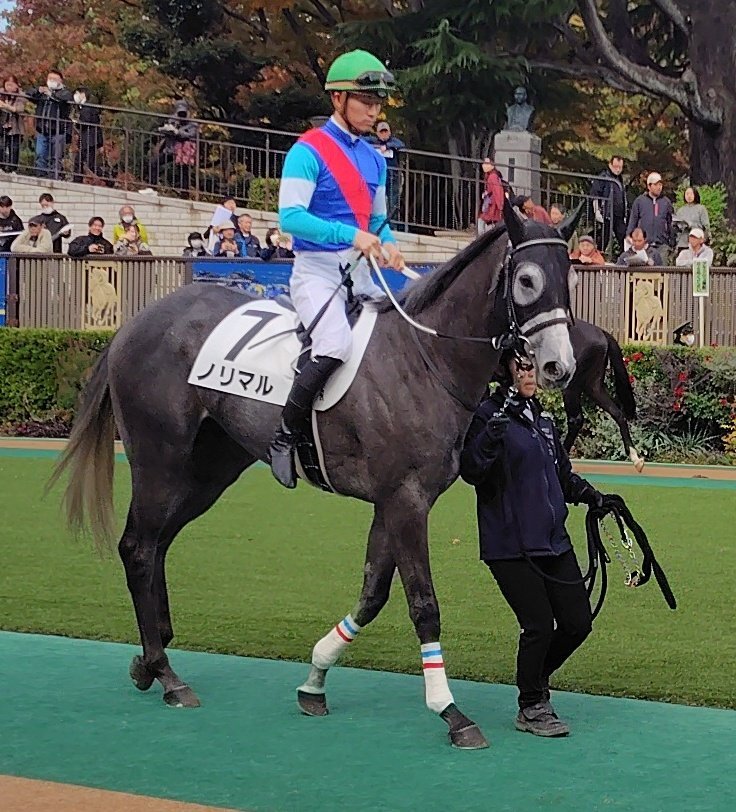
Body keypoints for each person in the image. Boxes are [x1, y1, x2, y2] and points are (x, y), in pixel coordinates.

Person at [269, 49, 404, 488]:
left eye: (377, 102)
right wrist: (352, 236)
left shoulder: (375, 159)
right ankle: (285, 436)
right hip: (318, 272)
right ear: (338, 99)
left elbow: (379, 221)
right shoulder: (306, 151)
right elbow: (290, 218)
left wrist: (390, 245)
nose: (373, 110)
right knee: (334, 343)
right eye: (365, 100)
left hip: (364, 275)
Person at [460, 351, 605, 737]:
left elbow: (560, 474)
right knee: (539, 625)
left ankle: (534, 681)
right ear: (503, 370)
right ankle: (531, 706)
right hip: (510, 544)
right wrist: (492, 429)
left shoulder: (541, 418)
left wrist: (592, 496)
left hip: (553, 539)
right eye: (522, 366)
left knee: (577, 623)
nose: (530, 373)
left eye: (533, 367)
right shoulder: (486, 414)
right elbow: (472, 471)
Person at [26, 68, 73, 179]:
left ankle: (54, 176)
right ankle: (41, 175)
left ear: (60, 80)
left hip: (58, 130)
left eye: (54, 79)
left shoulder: (65, 92)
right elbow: (28, 94)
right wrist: (38, 90)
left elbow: (63, 100)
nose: (51, 81)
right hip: (42, 129)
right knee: (40, 154)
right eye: (49, 78)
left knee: (56, 156)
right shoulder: (43, 93)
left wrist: (51, 94)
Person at [143, 100, 198, 192]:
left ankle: (184, 192)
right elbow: (166, 130)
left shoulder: (192, 124)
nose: (181, 116)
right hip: (170, 150)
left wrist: (178, 132)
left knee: (183, 171)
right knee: (154, 163)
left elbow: (191, 135)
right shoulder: (172, 120)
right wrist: (166, 130)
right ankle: (152, 187)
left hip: (182, 152)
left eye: (183, 113)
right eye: (180, 113)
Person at [627, 172, 674, 264]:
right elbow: (633, 220)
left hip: (662, 244)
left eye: (660, 184)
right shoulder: (639, 201)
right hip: (644, 245)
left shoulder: (666, 202)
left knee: (661, 271)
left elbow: (670, 222)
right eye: (656, 184)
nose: (659, 187)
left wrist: (671, 241)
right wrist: (629, 235)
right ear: (649, 186)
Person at [366, 121, 405, 224]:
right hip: (378, 178)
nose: (384, 134)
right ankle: (375, 224)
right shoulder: (374, 141)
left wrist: (387, 146)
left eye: (385, 132)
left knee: (393, 203)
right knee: (376, 202)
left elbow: (401, 144)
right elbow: (361, 140)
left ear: (389, 133)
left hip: (393, 178)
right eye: (381, 132)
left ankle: (392, 225)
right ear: (377, 133)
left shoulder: (394, 141)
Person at [589, 155, 627, 253]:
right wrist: (596, 210)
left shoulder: (619, 179)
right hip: (606, 214)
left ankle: (624, 258)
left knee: (623, 237)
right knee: (604, 238)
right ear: (610, 165)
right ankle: (597, 257)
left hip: (618, 215)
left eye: (620, 167)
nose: (618, 170)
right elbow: (595, 194)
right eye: (615, 167)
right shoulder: (603, 177)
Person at [72, 86, 103, 182]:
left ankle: (78, 180)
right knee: (87, 162)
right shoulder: (87, 107)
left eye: (77, 93)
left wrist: (76, 122)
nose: (75, 96)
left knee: (82, 161)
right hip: (90, 139)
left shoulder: (87, 108)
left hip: (89, 139)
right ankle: (79, 179)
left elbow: (85, 122)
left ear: (83, 94)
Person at [0, 75, 26, 172]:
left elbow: (19, 109)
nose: (9, 88)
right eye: (7, 85)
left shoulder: (21, 96)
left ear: (16, 86)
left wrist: (5, 106)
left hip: (15, 127)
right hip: (2, 124)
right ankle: (1, 167)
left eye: (11, 85)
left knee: (14, 148)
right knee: (1, 146)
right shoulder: (1, 93)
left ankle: (12, 169)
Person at [674, 186, 710, 252]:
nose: (689, 196)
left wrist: (703, 240)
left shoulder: (701, 209)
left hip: (697, 242)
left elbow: (706, 226)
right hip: (683, 243)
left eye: (691, 194)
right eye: (687, 194)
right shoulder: (680, 210)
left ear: (695, 195)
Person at [477, 157, 505, 235]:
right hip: (492, 204)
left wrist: (500, 206)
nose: (484, 166)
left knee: (483, 220)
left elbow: (497, 191)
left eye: (487, 163)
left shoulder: (492, 176)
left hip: (492, 204)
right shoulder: (492, 175)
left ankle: (482, 237)